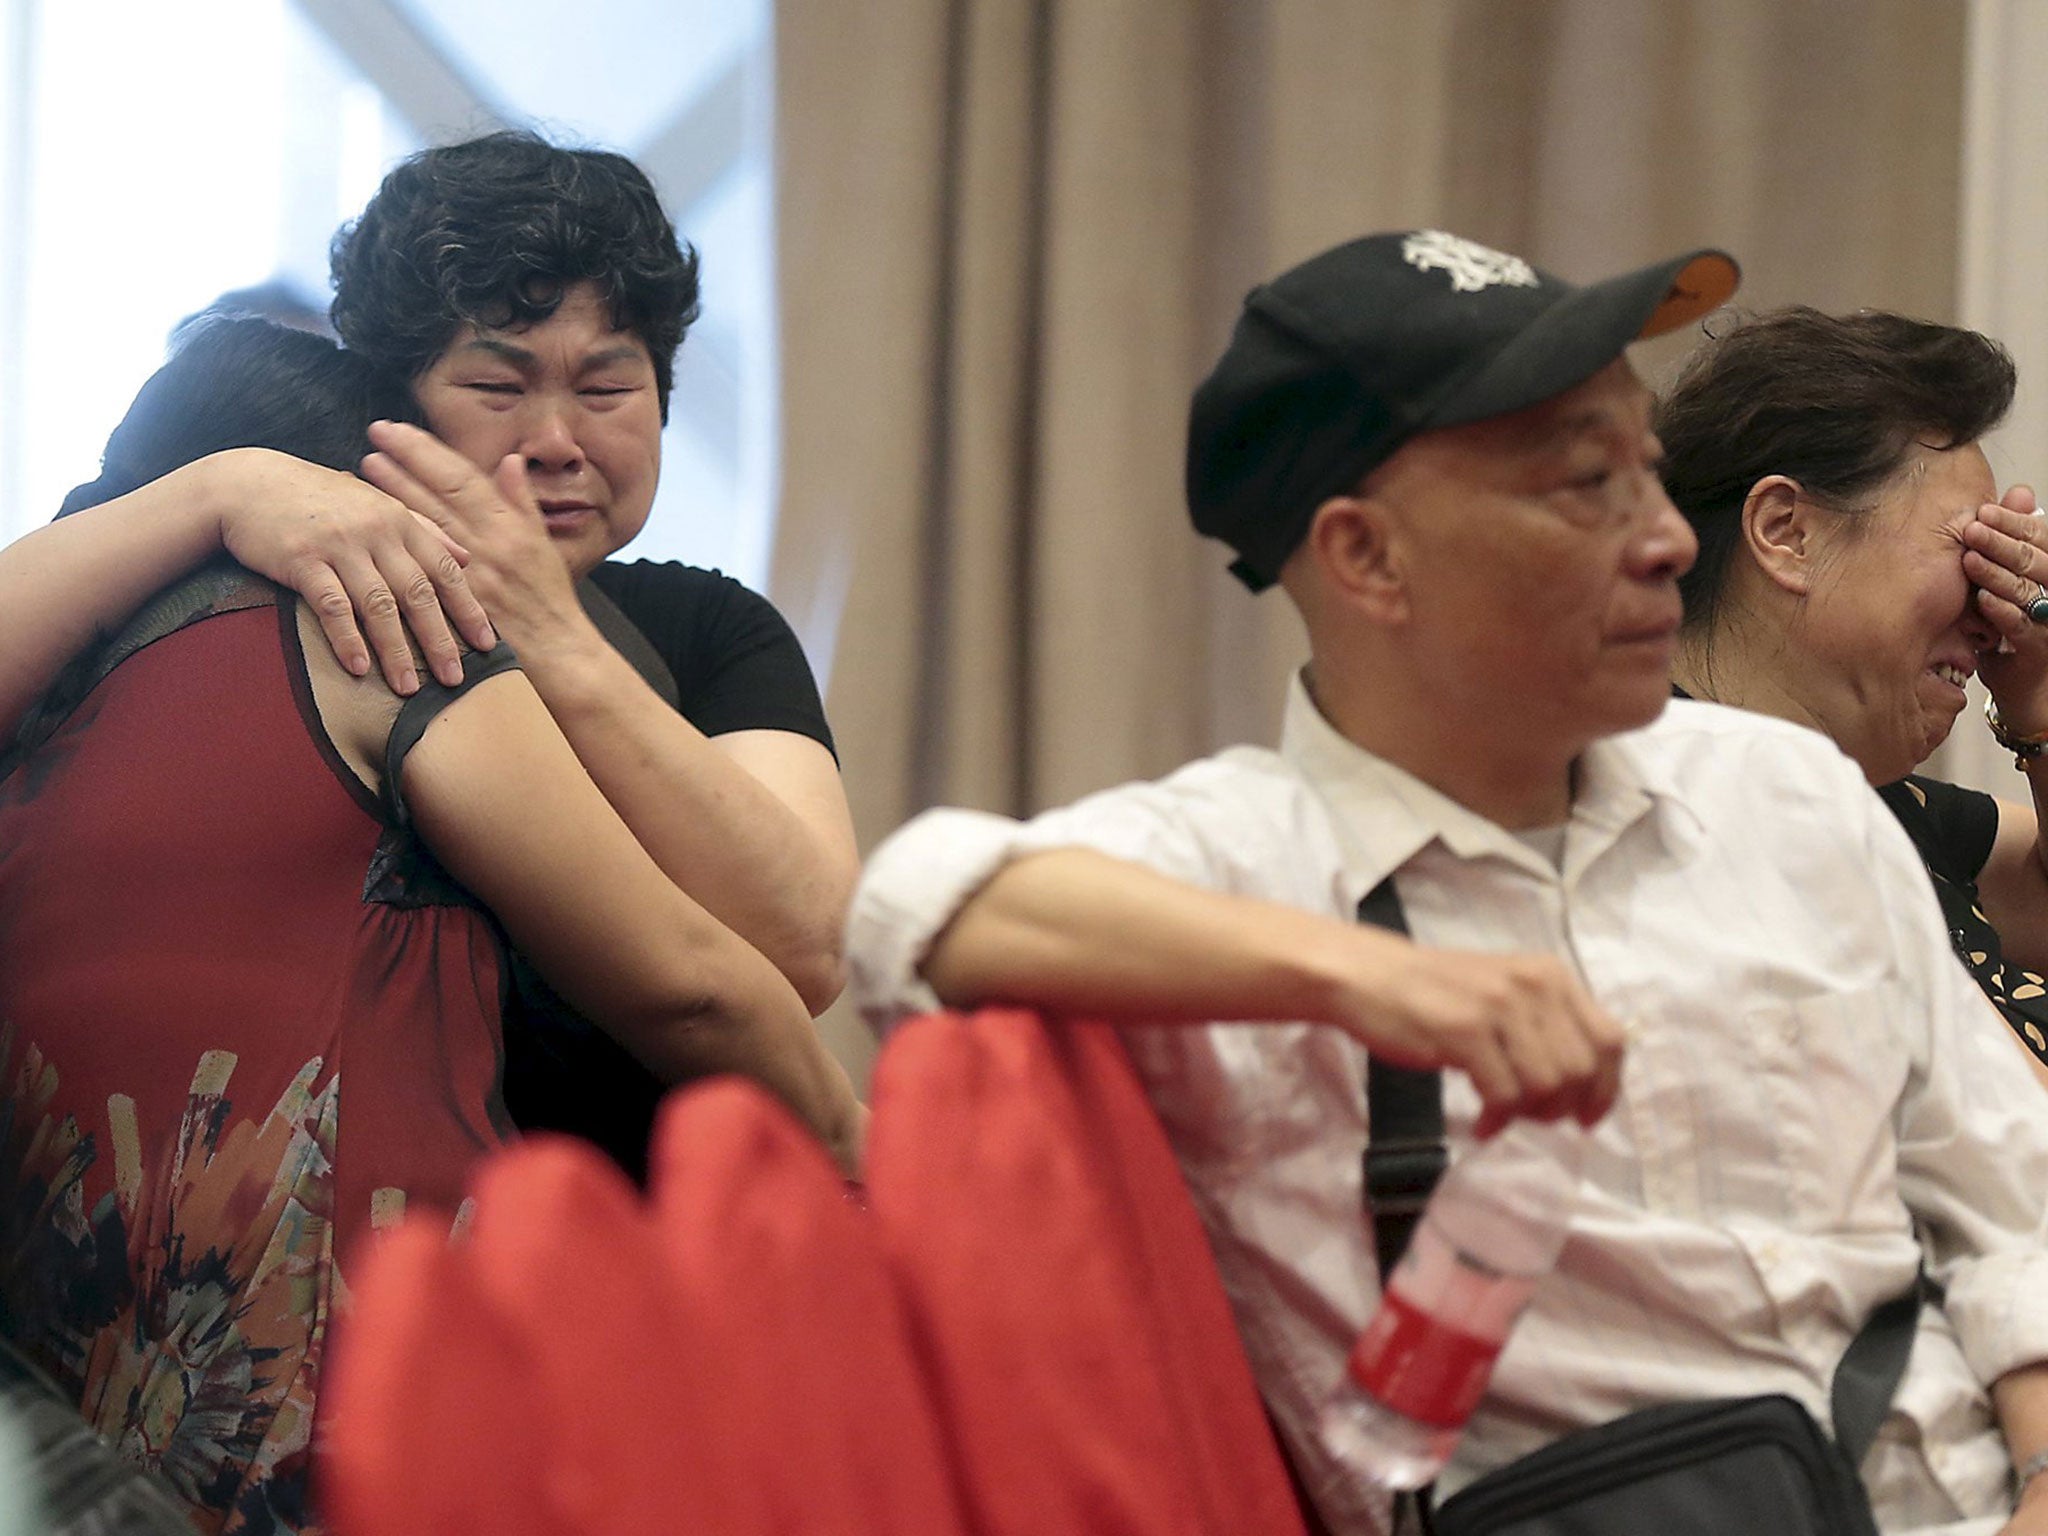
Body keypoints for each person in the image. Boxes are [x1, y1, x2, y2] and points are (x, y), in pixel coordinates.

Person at [845, 230, 2048, 1535]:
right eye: (1585, 486)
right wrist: (1379, 980)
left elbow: (2006, 1208)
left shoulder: (1788, 794)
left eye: (1647, 470)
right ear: (1367, 559)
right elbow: (909, 904)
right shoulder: (1261, 860)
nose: (1663, 541)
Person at [0, 318, 863, 1534]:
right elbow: (690, 982)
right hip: (375, 1404)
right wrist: (862, 1151)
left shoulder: (40, 713)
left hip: (88, 1443)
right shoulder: (378, 636)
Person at [6, 131, 858, 1178]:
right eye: (498, 389)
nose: (557, 440)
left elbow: (805, 947)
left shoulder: (711, 628)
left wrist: (551, 633)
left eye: (606, 389)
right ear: (388, 406)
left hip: (646, 1232)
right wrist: (217, 490)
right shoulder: (327, 610)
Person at [1657, 307, 2048, 1064]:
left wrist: (2036, 694)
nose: (1992, 608)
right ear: (1787, 532)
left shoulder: (1873, 799)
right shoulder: (1678, 802)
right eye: (1970, 547)